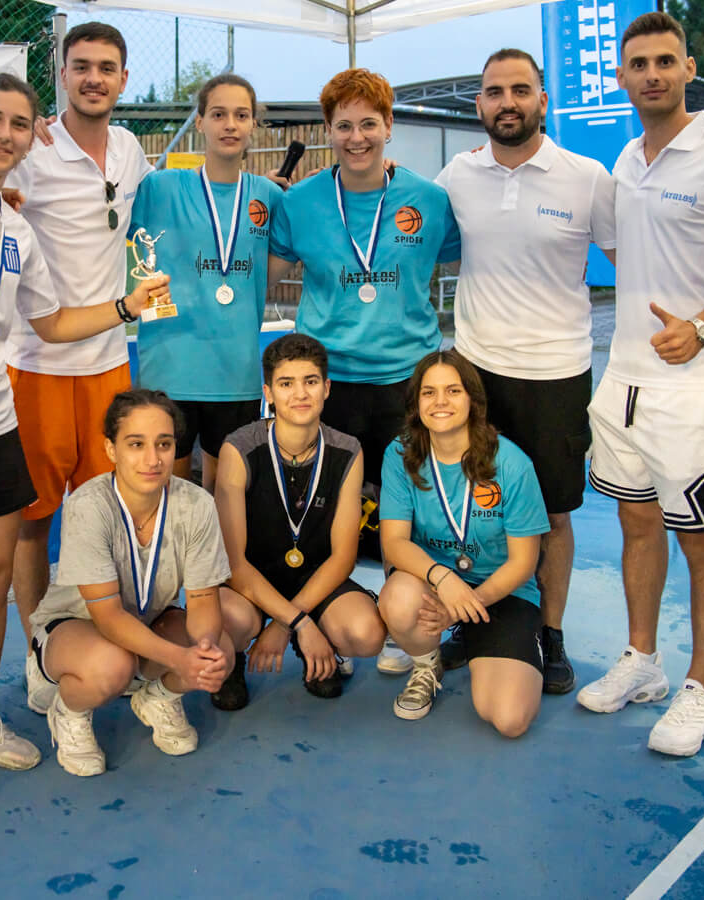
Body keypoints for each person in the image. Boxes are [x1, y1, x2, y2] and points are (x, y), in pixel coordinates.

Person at [0, 75, 169, 823]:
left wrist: (126, 306)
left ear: (28, 138)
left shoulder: (16, 232)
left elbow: (51, 323)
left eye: (19, 124)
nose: (6, 135)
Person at [578, 12, 704, 757]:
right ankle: (644, 661)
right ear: (622, 76)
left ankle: (703, 690)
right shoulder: (626, 161)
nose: (653, 74)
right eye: (639, 64)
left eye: (665, 61)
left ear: (688, 69)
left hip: (695, 384)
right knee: (636, 525)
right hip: (625, 379)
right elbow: (630, 251)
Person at [433, 48, 616, 693]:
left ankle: (551, 633)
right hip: (476, 371)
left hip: (556, 373)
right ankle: (474, 621)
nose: (506, 102)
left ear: (542, 99)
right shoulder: (457, 174)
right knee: (473, 508)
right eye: (494, 92)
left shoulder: (587, 177)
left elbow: (638, 256)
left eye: (519, 90)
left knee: (554, 516)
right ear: (479, 104)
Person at [268, 68, 461, 676]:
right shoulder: (299, 203)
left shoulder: (429, 200)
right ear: (328, 130)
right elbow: (261, 274)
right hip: (330, 384)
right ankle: (328, 620)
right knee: (324, 512)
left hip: (409, 381)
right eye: (344, 125)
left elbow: (478, 260)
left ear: (389, 126)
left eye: (369, 124)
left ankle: (414, 628)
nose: (357, 137)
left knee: (415, 512)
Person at [3, 22, 155, 691]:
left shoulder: (129, 150)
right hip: (35, 363)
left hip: (108, 365)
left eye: (107, 67)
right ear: (61, 74)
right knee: (31, 524)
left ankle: (102, 644)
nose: (94, 78)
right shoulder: (31, 150)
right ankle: (40, 652)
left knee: (105, 522)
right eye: (82, 66)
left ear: (123, 79)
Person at [26, 390, 257, 776]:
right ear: (111, 449)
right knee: (112, 665)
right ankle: (68, 709)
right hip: (76, 626)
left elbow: (203, 600)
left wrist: (201, 654)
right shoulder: (88, 506)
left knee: (220, 650)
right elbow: (108, 617)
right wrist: (178, 659)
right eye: (136, 444)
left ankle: (158, 697)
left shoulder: (197, 504)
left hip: (149, 621)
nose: (153, 459)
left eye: (163, 444)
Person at [377, 350, 550, 735]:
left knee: (508, 720)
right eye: (429, 392)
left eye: (453, 391)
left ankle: (481, 637)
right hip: (435, 583)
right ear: (416, 403)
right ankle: (427, 663)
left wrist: (467, 605)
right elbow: (394, 542)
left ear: (473, 400)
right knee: (398, 600)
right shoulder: (401, 453)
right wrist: (444, 579)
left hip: (499, 592)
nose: (440, 401)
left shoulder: (511, 463)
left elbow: (524, 562)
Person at [128, 74, 285, 494]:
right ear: (199, 122)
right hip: (171, 370)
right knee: (167, 495)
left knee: (225, 499)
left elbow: (275, 263)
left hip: (236, 374)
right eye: (218, 114)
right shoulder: (160, 187)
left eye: (241, 115)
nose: (229, 125)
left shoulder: (268, 197)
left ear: (253, 124)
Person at [216, 334, 385, 703]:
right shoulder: (239, 448)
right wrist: (298, 622)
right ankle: (233, 659)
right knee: (226, 619)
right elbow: (233, 563)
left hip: (314, 577)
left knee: (366, 633)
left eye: (310, 381)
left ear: (327, 388)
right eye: (286, 384)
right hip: (253, 580)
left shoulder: (347, 450)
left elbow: (343, 557)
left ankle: (322, 648)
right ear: (268, 393)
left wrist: (287, 623)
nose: (300, 394)